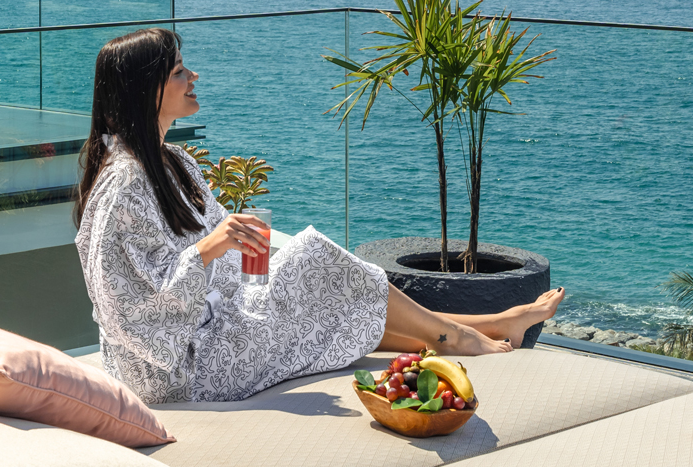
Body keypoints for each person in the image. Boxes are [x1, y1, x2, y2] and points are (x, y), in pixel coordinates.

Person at [73, 28, 563, 404]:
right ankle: (463, 333)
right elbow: (126, 307)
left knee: (328, 295)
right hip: (176, 367)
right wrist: (211, 247)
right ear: (146, 90)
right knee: (316, 262)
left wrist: (230, 244)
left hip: (212, 322)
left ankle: (490, 324)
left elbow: (216, 239)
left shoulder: (172, 162)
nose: (193, 77)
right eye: (180, 71)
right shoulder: (123, 185)